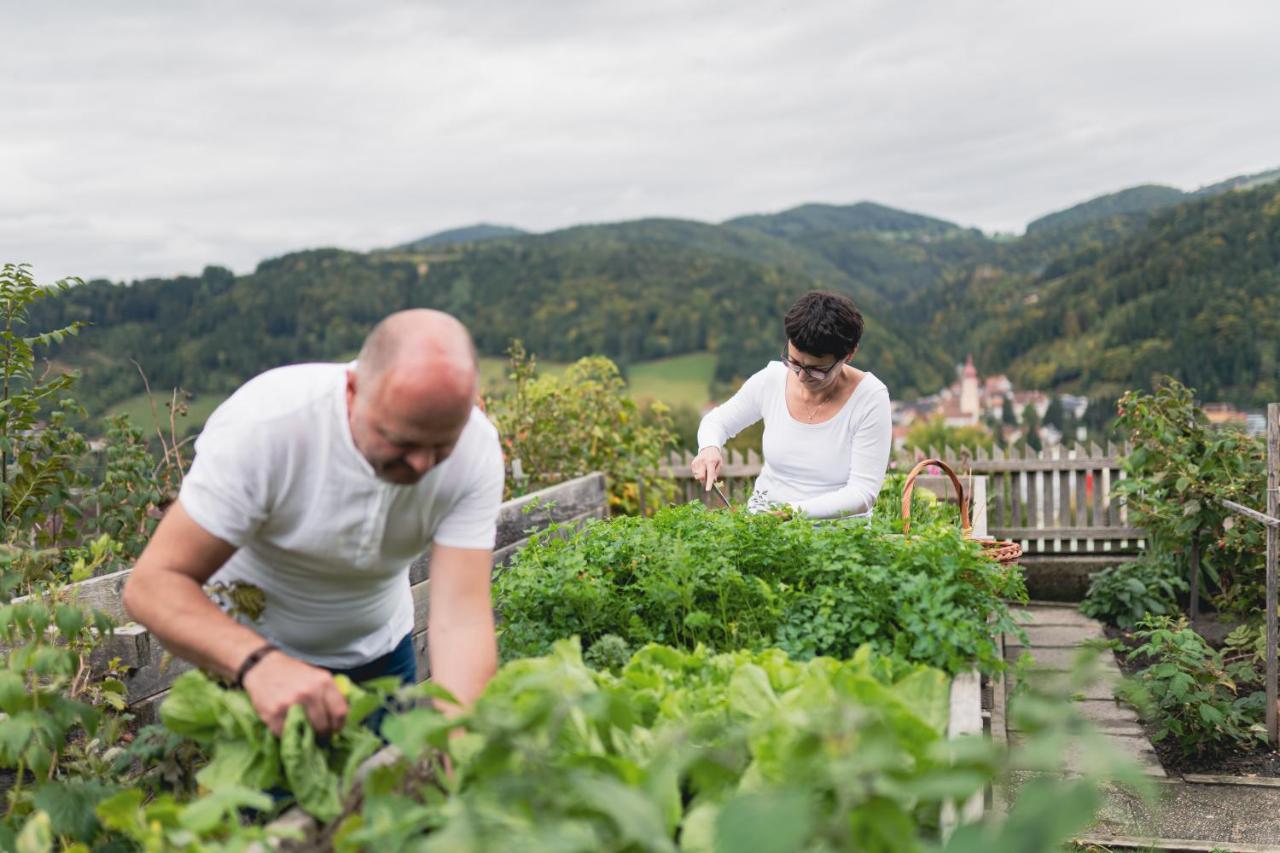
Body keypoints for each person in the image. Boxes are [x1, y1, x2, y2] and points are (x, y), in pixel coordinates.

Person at [123, 309, 504, 736]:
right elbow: (153, 584)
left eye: (441, 447)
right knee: (273, 802)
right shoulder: (268, 427)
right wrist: (257, 663)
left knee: (393, 794)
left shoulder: (476, 450)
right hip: (252, 661)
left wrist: (460, 746)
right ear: (353, 391)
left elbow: (462, 616)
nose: (421, 464)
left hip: (382, 656)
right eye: (401, 440)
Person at [690, 291, 892, 519]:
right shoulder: (772, 379)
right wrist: (708, 448)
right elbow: (717, 421)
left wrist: (788, 514)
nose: (801, 377)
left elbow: (862, 494)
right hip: (762, 525)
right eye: (794, 362)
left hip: (838, 539)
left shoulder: (869, 397)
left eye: (816, 369)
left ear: (849, 354)